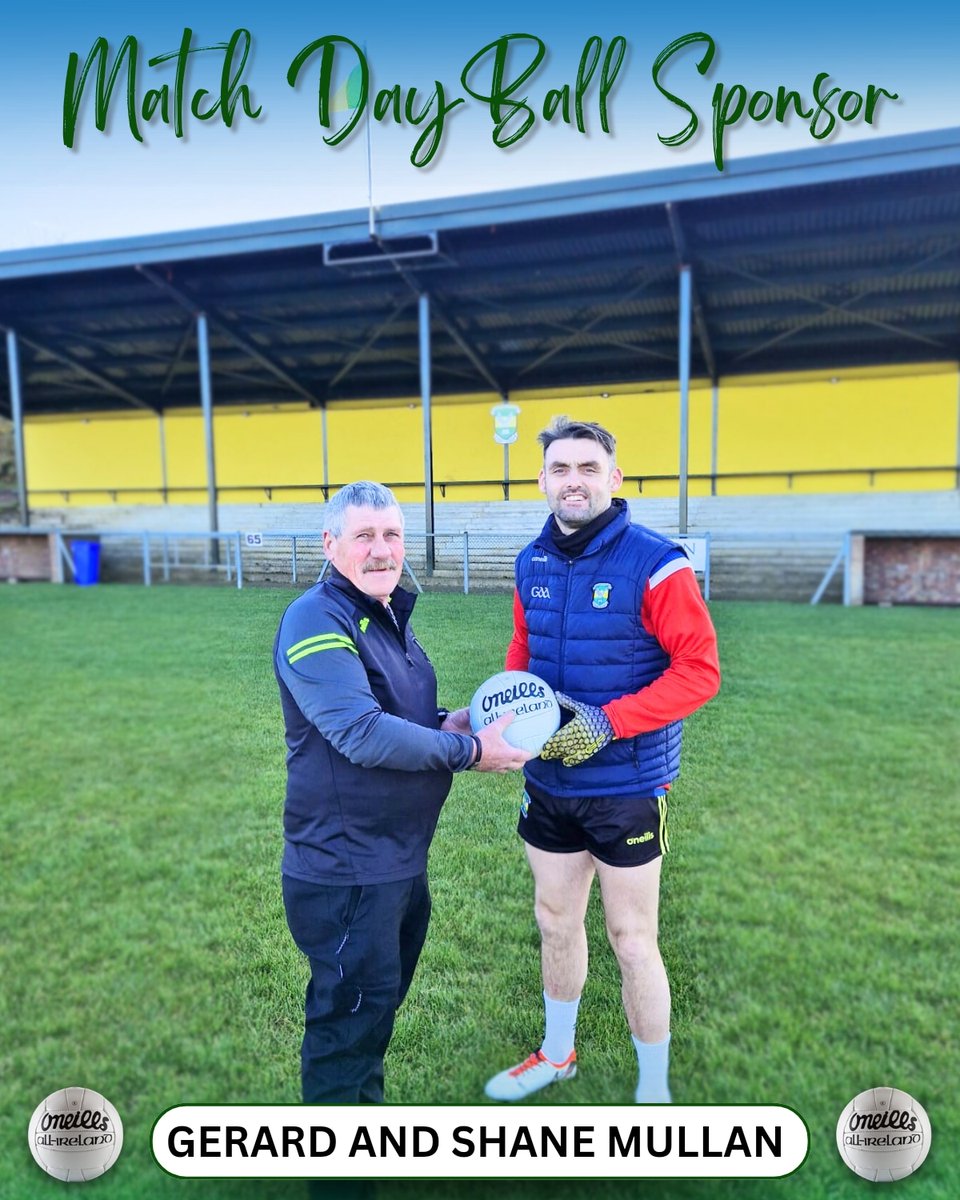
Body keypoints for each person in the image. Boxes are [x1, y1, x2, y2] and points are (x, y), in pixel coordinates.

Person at [484, 417, 720, 1105]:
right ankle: (558, 1054)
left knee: (630, 935)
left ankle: (654, 1093)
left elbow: (699, 671)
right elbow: (521, 657)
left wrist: (607, 722)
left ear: (614, 479)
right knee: (555, 920)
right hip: (550, 782)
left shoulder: (655, 561)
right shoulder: (531, 561)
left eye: (588, 468)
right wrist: (510, 718)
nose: (574, 481)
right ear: (543, 481)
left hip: (627, 785)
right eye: (561, 469)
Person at [275, 480, 530, 1106]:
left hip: (394, 864)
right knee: (345, 1037)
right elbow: (359, 733)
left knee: (370, 1027)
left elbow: (397, 711)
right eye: (365, 535)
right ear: (330, 543)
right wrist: (473, 752)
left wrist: (451, 721)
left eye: (392, 534)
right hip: (346, 872)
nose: (383, 549)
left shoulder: (385, 615)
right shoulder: (316, 617)